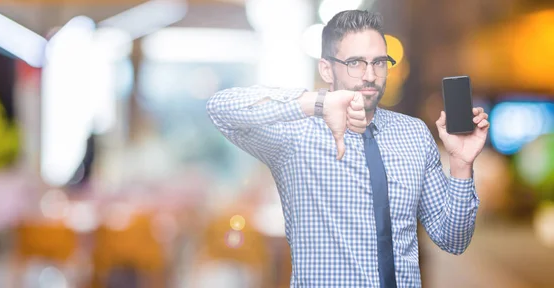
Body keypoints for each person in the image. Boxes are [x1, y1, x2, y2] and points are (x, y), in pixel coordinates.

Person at [206, 9, 489, 288]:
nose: (370, 74)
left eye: (379, 62)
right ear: (327, 69)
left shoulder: (414, 134)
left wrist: (461, 164)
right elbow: (220, 109)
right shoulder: (296, 134)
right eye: (355, 62)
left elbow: (453, 240)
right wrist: (316, 103)